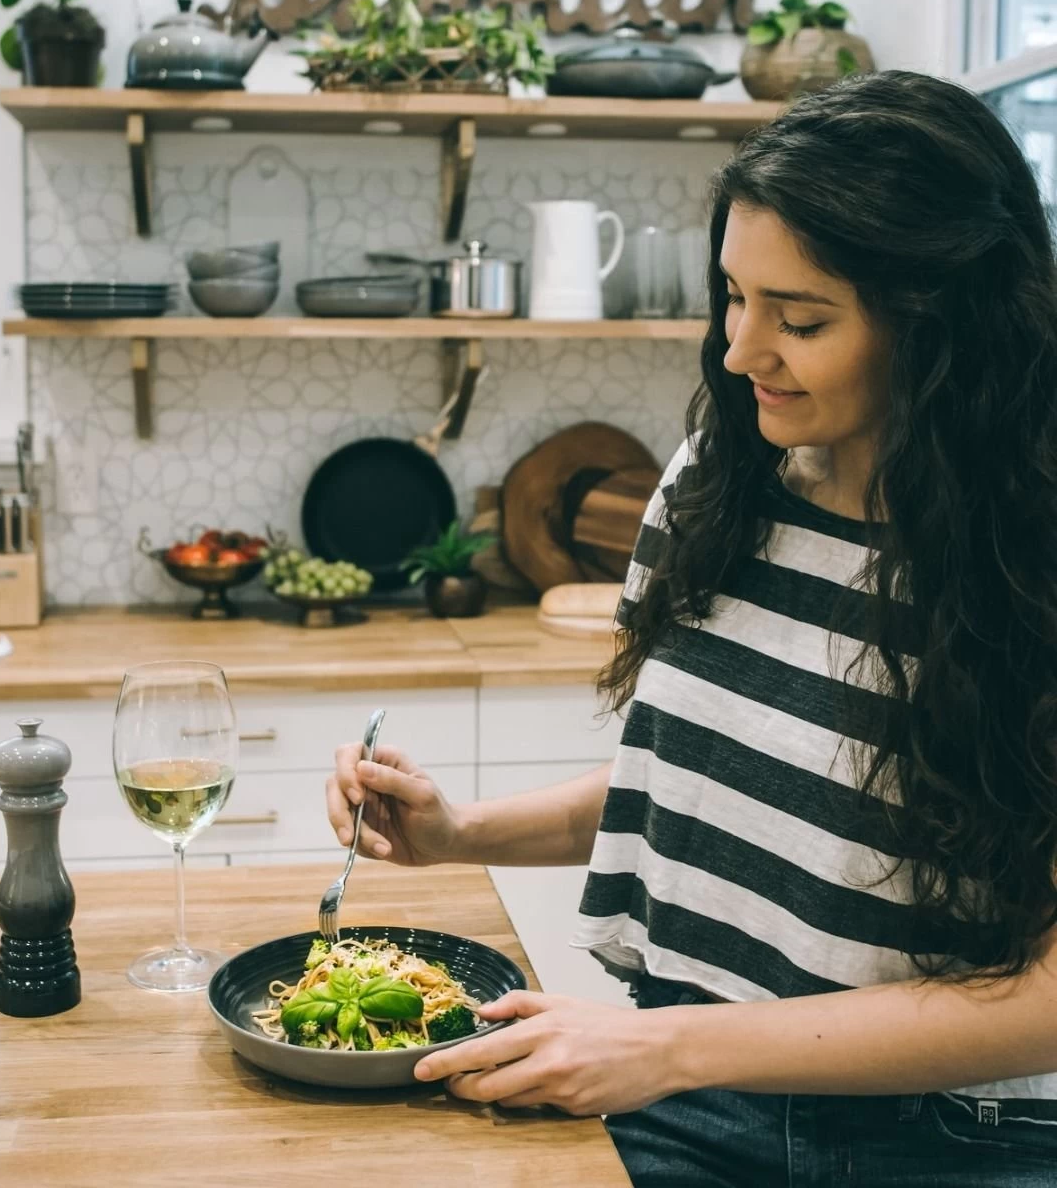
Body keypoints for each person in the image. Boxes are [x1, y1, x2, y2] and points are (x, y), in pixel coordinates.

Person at [324, 70, 1057, 1186]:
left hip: (951, 1136)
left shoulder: (1030, 557)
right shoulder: (721, 483)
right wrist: (458, 831)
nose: (740, 350)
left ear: (943, 323)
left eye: (799, 318)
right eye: (734, 297)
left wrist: (658, 1047)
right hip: (690, 1095)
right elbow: (707, 781)